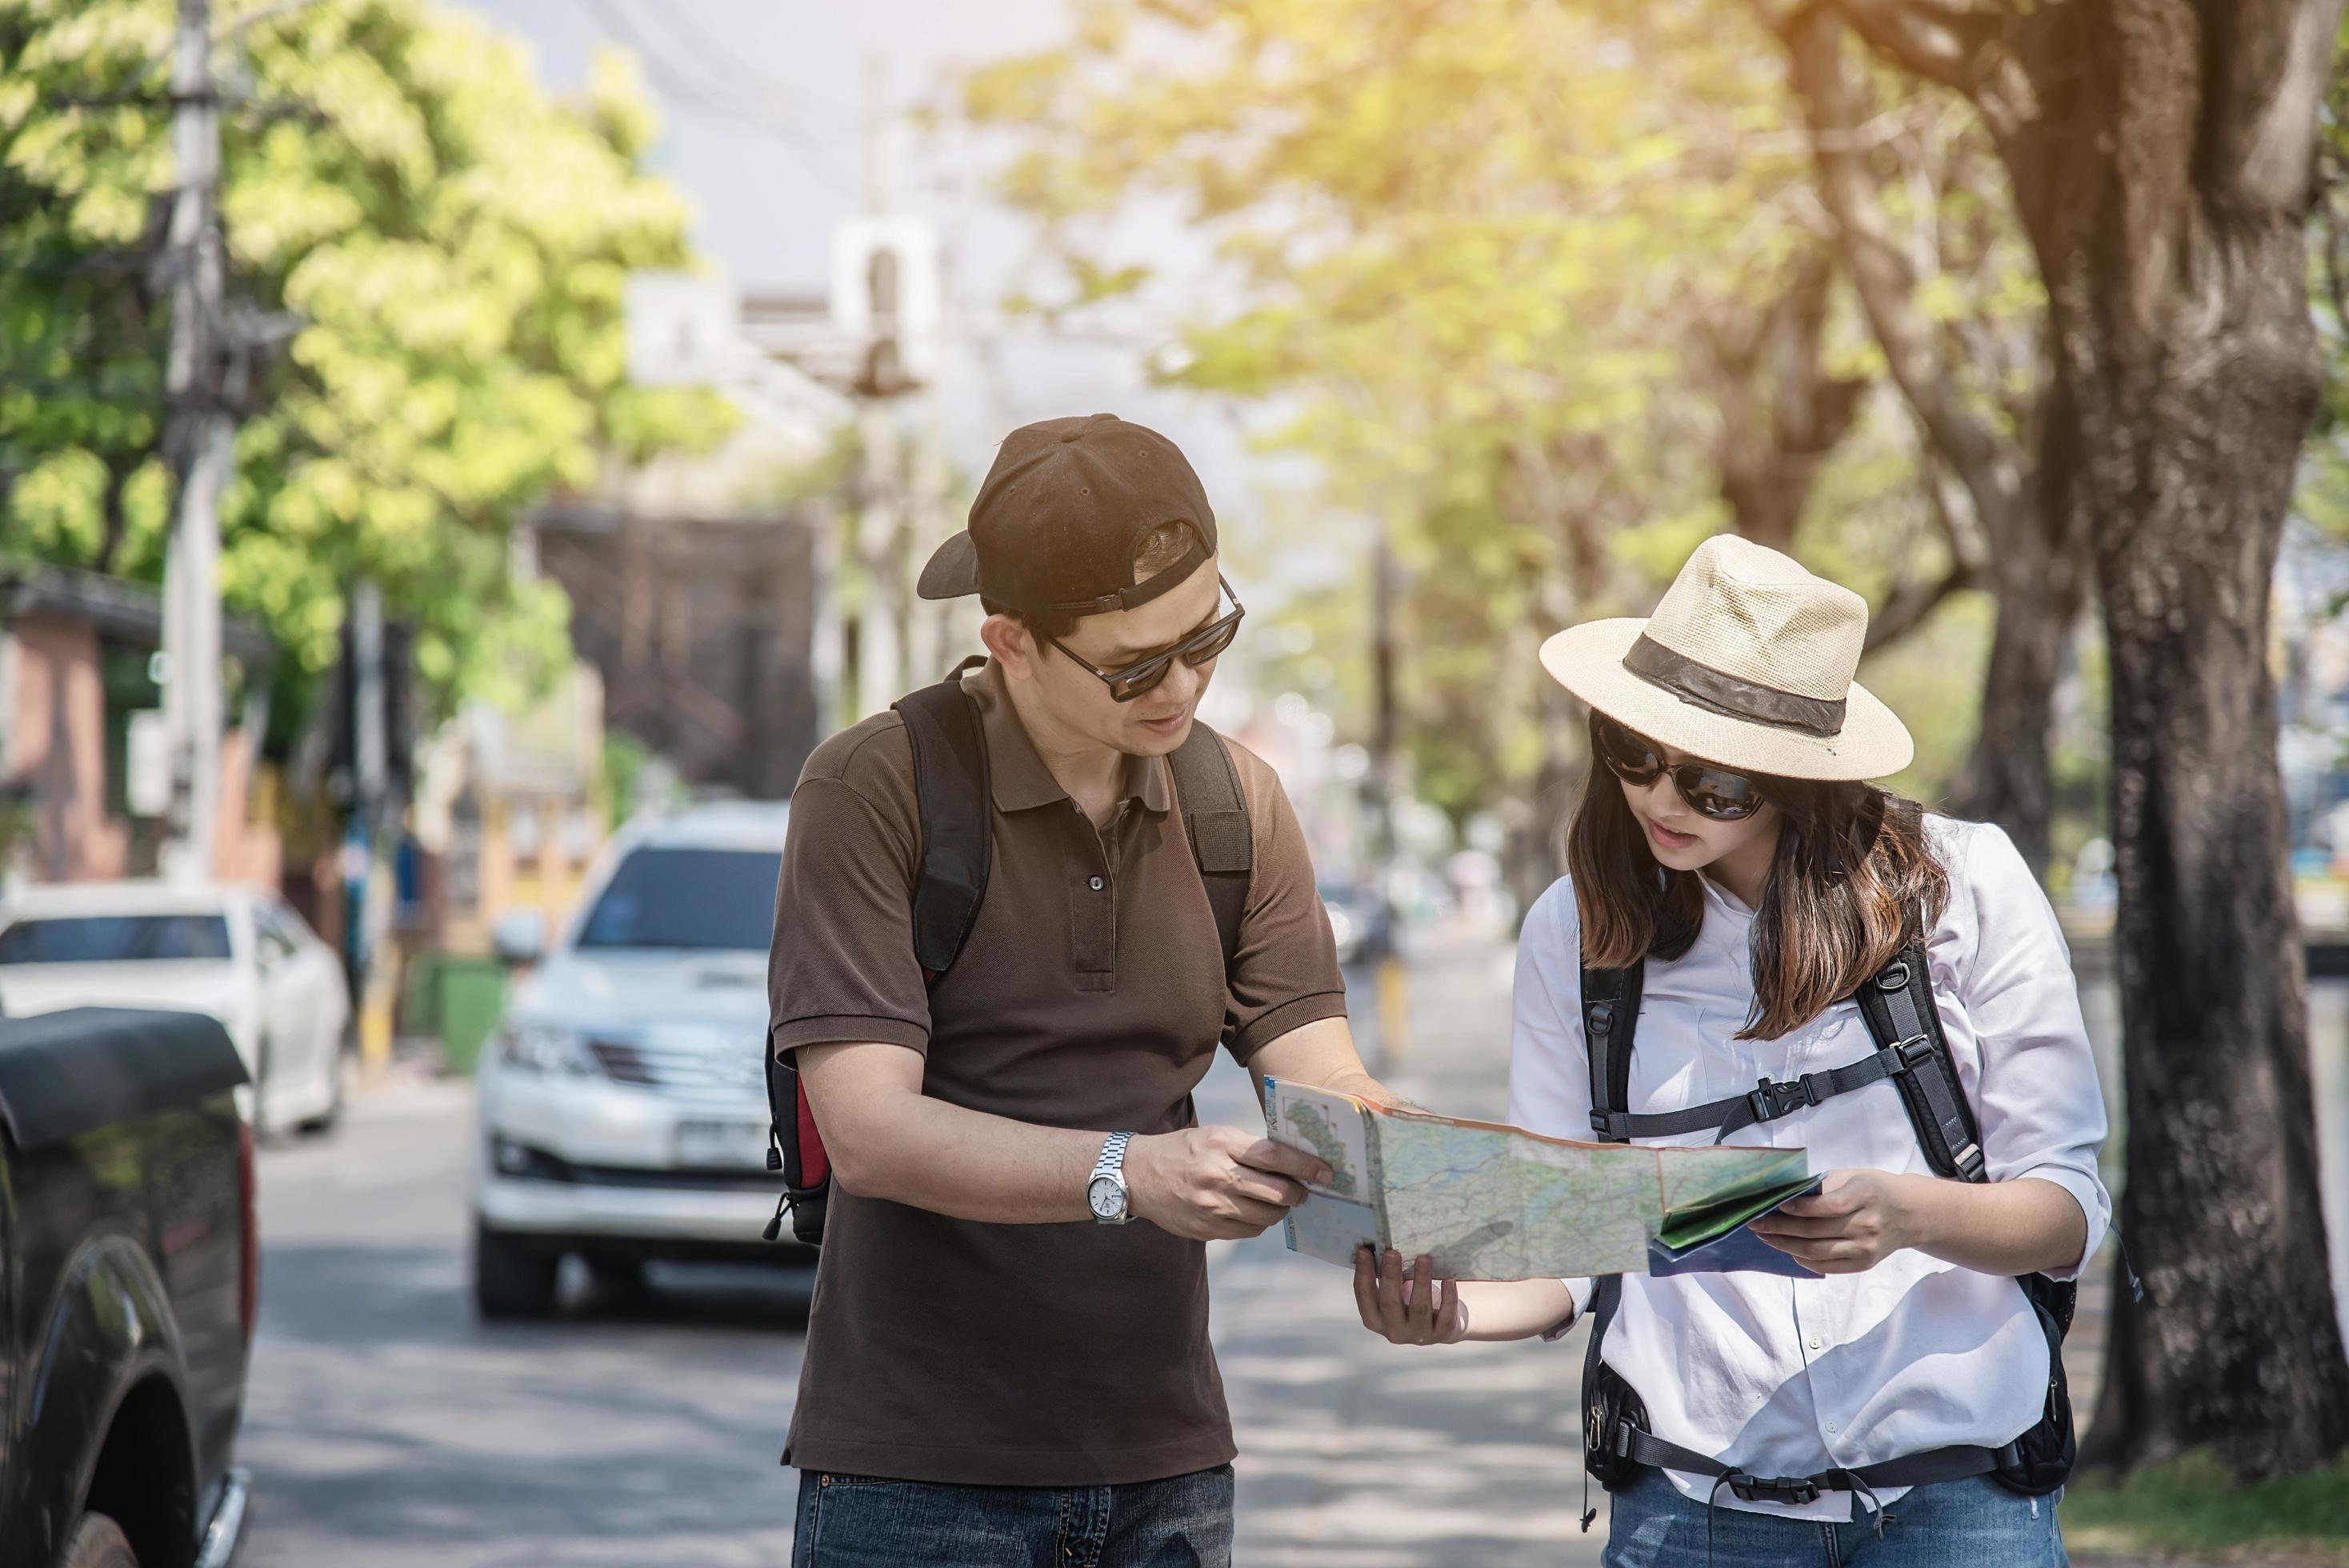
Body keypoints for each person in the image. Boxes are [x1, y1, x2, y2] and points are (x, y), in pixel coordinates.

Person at [1355, 535, 2110, 1566]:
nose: (1662, 801)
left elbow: (2066, 1211)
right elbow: (1568, 1231)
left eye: (1712, 781)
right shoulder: (1573, 932)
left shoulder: (1961, 887)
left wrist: (1907, 1215)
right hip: (1689, 1509)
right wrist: (1453, 1312)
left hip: (1958, 1499)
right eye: (1634, 752)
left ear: (1799, 775)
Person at [770, 412, 1393, 1567]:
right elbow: (868, 1133)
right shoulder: (874, 788)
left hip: (1170, 1474)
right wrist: (1129, 1171)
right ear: (1010, 641)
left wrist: (1450, 1210)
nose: (1187, 685)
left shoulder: (1237, 802)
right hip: (920, 1480)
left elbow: (1324, 1075)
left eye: (1207, 636)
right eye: (1136, 666)